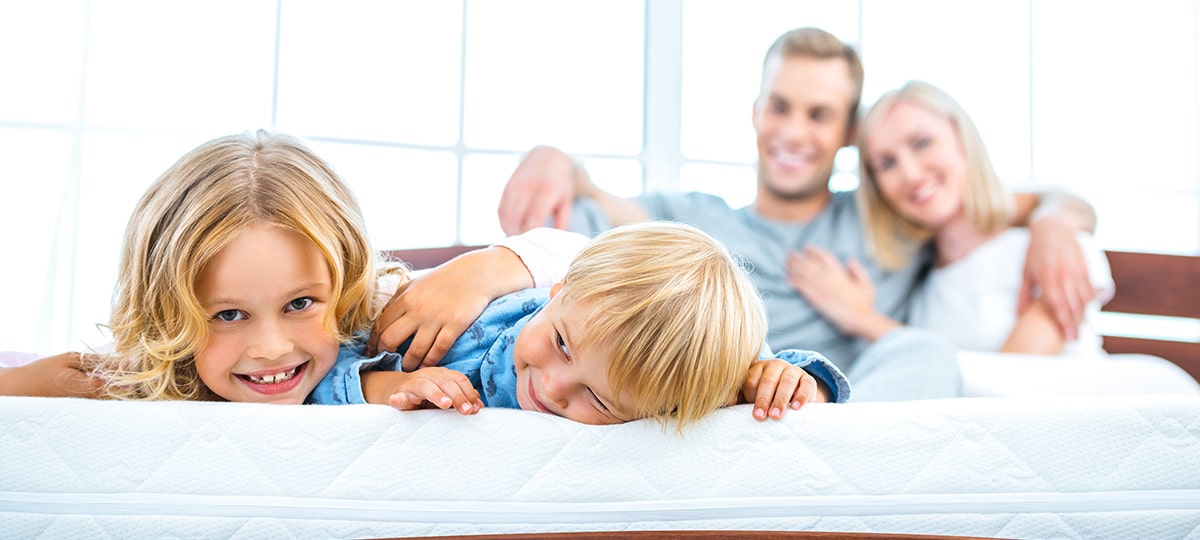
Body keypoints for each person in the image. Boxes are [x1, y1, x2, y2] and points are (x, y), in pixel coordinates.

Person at [0, 130, 845, 428]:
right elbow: (94, 372)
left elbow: (708, 365)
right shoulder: (500, 322)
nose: (545, 383)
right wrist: (487, 265)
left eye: (300, 304)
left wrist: (782, 376)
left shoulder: (384, 326)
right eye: (226, 313)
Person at [489, 26, 1099, 401]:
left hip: (824, 406)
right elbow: (597, 213)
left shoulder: (885, 216)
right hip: (723, 385)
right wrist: (557, 160)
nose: (794, 131)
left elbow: (1008, 200)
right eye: (780, 106)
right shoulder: (694, 220)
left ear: (847, 135)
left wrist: (1054, 221)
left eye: (819, 114)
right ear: (756, 111)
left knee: (926, 356)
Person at [315, 221, 850, 430]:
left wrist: (791, 382)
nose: (551, 385)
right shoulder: (468, 329)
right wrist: (387, 386)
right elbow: (327, 367)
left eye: (599, 399)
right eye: (561, 344)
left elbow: (775, 373)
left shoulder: (671, 375)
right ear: (558, 290)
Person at [811, 80, 1113, 355]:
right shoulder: (921, 283)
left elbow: (1011, 389)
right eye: (887, 164)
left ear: (961, 137)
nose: (911, 174)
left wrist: (865, 321)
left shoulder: (1053, 252)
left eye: (922, 143)